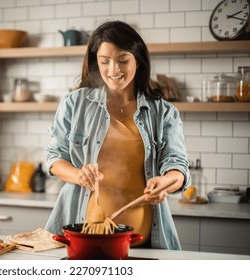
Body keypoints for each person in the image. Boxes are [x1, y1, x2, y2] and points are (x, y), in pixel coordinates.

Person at [44, 20, 190, 250]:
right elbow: (54, 158)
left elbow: (177, 166)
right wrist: (78, 174)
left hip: (146, 244)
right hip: (81, 239)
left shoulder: (163, 112)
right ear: (95, 62)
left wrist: (166, 181)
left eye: (123, 60)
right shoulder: (75, 103)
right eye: (105, 61)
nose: (114, 70)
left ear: (138, 61)